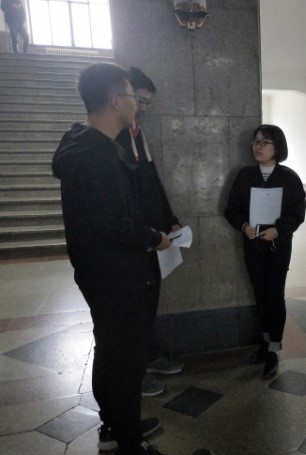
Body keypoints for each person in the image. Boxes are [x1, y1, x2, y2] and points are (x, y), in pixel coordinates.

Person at [52, 63, 170, 455]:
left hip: (99, 271)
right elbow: (112, 224)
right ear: (116, 100)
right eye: (133, 97)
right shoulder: (96, 154)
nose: (137, 105)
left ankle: (117, 426)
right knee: (125, 360)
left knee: (111, 351)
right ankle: (129, 442)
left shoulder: (86, 145)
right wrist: (153, 238)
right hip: (116, 274)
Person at [116, 67, 183, 398]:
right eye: (139, 100)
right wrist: (145, 234)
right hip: (134, 239)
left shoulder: (138, 134)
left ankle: (148, 356)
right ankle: (134, 371)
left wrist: (169, 220)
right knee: (132, 309)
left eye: (147, 102)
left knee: (148, 299)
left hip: (151, 236)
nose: (142, 108)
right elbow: (122, 201)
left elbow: (152, 182)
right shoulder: (113, 140)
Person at [224, 125, 306, 379]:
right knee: (260, 295)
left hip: (278, 245)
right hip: (253, 244)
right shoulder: (245, 175)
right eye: (255, 142)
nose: (257, 147)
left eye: (264, 142)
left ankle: (273, 350)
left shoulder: (289, 177)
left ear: (277, 146)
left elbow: (297, 213)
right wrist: (243, 225)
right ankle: (265, 341)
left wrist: (278, 230)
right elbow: (231, 208)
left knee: (275, 295)